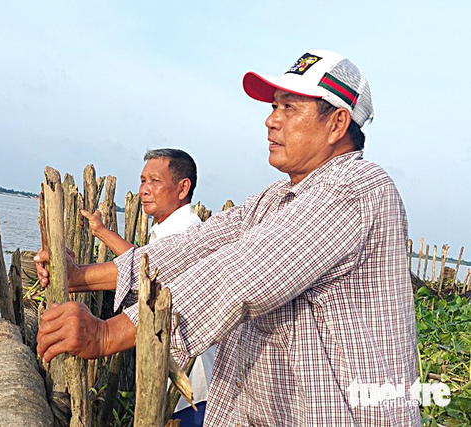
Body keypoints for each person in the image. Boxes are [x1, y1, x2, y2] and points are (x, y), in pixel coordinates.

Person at [36, 50, 420, 426]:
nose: (271, 121)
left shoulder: (356, 188)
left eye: (290, 108)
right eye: (273, 107)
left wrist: (107, 333)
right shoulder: (277, 199)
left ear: (337, 124)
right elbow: (191, 250)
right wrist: (78, 276)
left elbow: (242, 275)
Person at [81, 148, 214, 425]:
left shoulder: (188, 231)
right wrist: (101, 232)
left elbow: (146, 271)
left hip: (191, 382)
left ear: (182, 188)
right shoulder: (166, 229)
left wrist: (76, 276)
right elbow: (143, 263)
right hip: (174, 376)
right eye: (142, 181)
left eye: (154, 181)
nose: (144, 190)